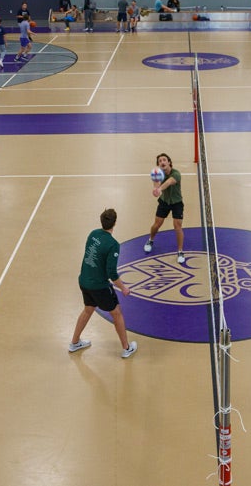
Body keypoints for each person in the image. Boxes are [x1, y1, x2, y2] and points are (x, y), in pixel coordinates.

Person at [69, 208, 138, 358]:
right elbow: (111, 273)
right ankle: (126, 348)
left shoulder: (93, 234)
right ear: (115, 223)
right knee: (117, 313)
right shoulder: (113, 245)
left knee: (88, 309)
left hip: (84, 281)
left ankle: (74, 342)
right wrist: (124, 288)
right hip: (99, 286)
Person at [143, 153, 185, 264]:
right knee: (157, 224)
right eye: (160, 161)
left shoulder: (176, 174)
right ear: (158, 164)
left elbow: (169, 182)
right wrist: (156, 190)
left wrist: (160, 188)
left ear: (169, 162)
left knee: (177, 226)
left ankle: (180, 251)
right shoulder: (157, 174)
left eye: (164, 160)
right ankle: (150, 240)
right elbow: (156, 187)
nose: (162, 162)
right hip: (164, 202)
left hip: (177, 203)